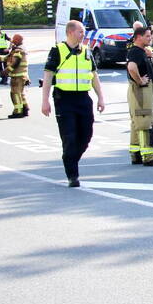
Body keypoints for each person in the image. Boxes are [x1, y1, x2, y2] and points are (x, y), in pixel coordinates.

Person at [41, 20, 106, 187]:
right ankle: (72, 174)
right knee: (69, 137)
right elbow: (48, 76)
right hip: (64, 99)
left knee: (86, 136)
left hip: (83, 98)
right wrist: (45, 101)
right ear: (70, 32)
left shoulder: (86, 51)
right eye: (80, 32)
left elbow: (94, 76)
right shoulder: (58, 50)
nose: (83, 35)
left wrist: (101, 97)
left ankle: (70, 158)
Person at [126, 27, 153, 166]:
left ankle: (136, 153)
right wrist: (140, 81)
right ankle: (149, 156)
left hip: (140, 90)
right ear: (138, 37)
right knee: (145, 120)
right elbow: (132, 67)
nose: (150, 38)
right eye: (147, 36)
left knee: (137, 121)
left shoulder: (139, 52)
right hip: (141, 90)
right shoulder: (136, 52)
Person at [4, 34, 29, 119]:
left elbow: (15, 64)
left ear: (17, 41)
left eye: (14, 40)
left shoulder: (18, 50)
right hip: (22, 76)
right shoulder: (20, 48)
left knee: (15, 94)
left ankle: (18, 112)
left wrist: (5, 71)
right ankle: (25, 109)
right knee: (21, 93)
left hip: (17, 76)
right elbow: (6, 58)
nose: (12, 41)